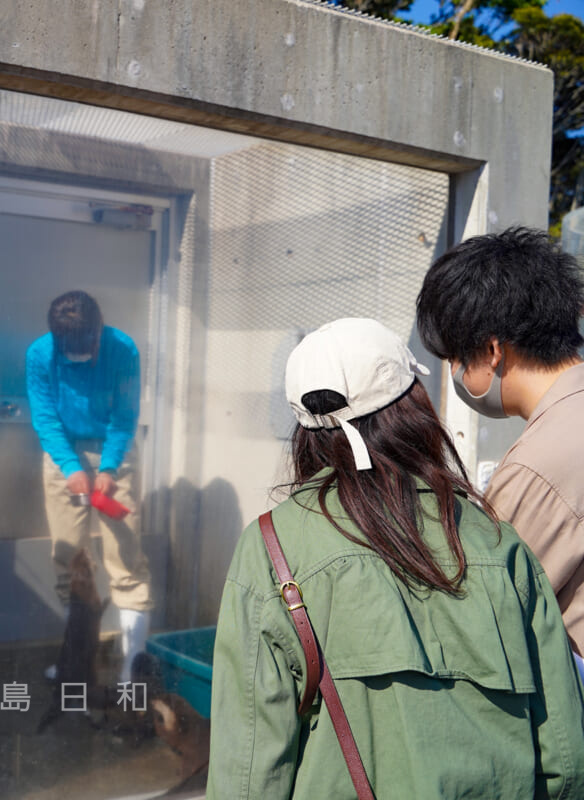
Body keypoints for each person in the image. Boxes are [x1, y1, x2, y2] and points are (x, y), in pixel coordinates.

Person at [208, 318, 584, 799]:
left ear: (305, 427)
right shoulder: (498, 543)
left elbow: (249, 771)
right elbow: (566, 761)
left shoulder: (273, 547)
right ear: (413, 406)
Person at [416, 226, 584, 662]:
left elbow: (487, 612)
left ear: (492, 351)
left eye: (454, 357)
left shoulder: (541, 464)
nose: (453, 372)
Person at [26, 290, 152, 684]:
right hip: (63, 456)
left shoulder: (123, 349)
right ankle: (75, 665)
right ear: (57, 341)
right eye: (73, 352)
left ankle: (133, 669)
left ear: (99, 331)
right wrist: (68, 466)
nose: (84, 356)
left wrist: (110, 467)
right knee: (70, 560)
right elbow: (45, 416)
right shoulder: (40, 355)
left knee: (126, 556)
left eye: (90, 346)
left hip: (111, 452)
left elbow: (125, 413)